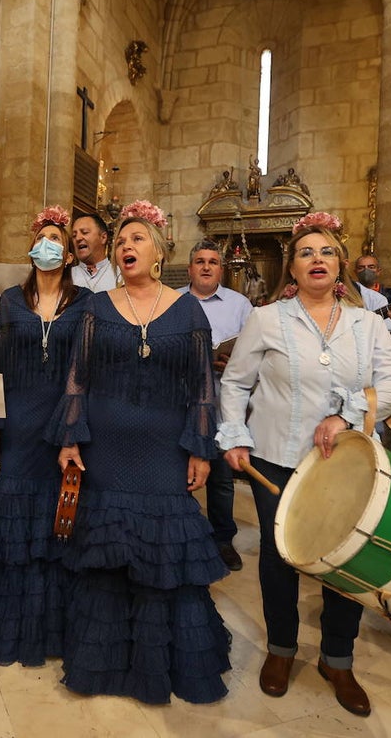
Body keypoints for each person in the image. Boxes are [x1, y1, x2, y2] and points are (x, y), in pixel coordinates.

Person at [218, 211, 391, 716]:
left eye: (326, 252)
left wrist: (347, 415)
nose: (316, 259)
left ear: (341, 265)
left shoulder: (368, 324)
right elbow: (235, 383)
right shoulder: (265, 319)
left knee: (345, 557)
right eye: (306, 253)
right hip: (276, 459)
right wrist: (234, 436)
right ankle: (281, 649)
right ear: (293, 267)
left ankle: (337, 658)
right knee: (280, 557)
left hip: (348, 463)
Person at [50, 199, 231, 704]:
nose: (127, 246)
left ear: (159, 252)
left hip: (165, 452)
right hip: (106, 451)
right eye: (122, 241)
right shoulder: (97, 307)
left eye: (138, 239)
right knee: (108, 555)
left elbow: (203, 387)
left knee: (161, 550)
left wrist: (200, 450)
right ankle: (105, 662)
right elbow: (77, 378)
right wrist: (69, 437)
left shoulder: (187, 310)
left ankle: (159, 662)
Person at [0, 205, 91, 666]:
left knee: (57, 512)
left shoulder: (84, 302)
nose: (46, 245)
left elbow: (85, 368)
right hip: (19, 419)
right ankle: (10, 619)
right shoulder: (10, 300)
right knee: (14, 506)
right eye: (41, 238)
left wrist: (74, 425)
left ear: (69, 256)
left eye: (55, 239)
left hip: (63, 417)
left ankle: (54, 623)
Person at [177, 239, 253, 570]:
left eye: (212, 262)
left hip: (223, 404)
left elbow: (255, 352)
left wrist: (235, 363)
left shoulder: (240, 305)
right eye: (200, 261)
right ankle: (181, 535)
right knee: (180, 473)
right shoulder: (173, 300)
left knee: (221, 479)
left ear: (221, 269)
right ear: (190, 268)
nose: (206, 267)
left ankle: (222, 540)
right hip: (180, 404)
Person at [70, 213, 117, 292]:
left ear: (103, 237)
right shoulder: (66, 276)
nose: (78, 238)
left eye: (85, 232)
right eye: (74, 235)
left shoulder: (120, 275)